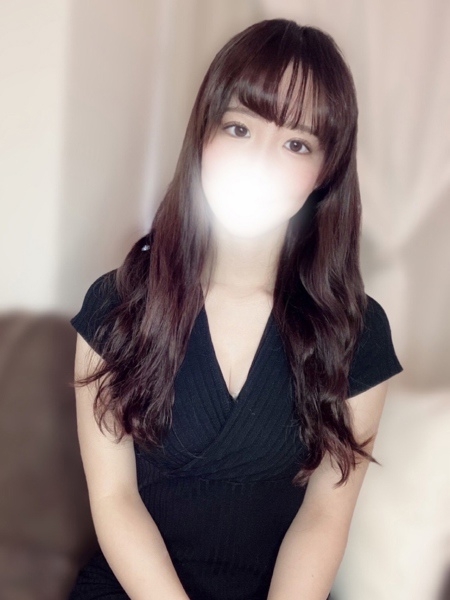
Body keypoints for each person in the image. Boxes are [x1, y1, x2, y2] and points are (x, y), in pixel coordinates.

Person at [68, 18, 403, 600]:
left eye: (296, 143)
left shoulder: (357, 331)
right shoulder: (117, 304)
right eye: (239, 127)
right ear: (204, 135)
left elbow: (324, 517)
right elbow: (114, 498)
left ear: (325, 172)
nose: (261, 161)